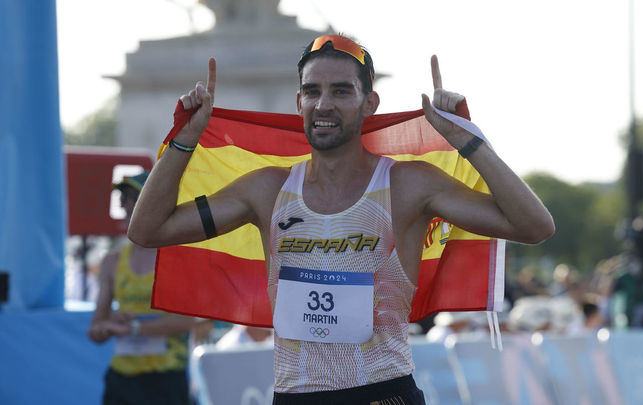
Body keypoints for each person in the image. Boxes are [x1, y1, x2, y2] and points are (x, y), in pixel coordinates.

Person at [129, 34, 554, 404]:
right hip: (293, 395)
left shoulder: (408, 185)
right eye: (312, 91)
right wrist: (184, 140)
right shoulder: (266, 190)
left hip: (382, 392)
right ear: (299, 103)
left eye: (341, 91)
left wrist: (468, 139)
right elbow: (147, 230)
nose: (323, 104)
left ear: (370, 103)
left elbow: (534, 226)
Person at [88, 172, 196, 405]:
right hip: (122, 378)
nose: (126, 206)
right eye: (123, 199)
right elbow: (96, 328)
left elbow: (186, 322)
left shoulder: (177, 259)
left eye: (134, 198)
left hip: (165, 378)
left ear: (156, 203)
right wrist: (106, 328)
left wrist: (135, 328)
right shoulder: (112, 261)